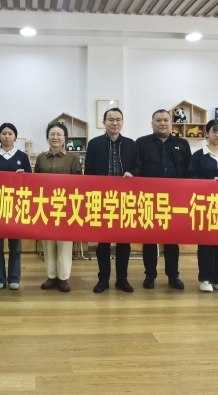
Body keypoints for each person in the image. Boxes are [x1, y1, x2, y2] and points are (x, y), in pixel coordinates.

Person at [85, 107, 141, 294]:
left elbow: (138, 167)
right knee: (103, 242)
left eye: (118, 120)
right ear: (104, 123)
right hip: (103, 199)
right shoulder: (94, 144)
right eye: (111, 120)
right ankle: (103, 280)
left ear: (122, 123)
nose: (115, 123)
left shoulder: (131, 144)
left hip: (125, 200)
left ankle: (122, 279)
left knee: (124, 242)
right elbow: (89, 172)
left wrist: (132, 173)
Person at [136, 109, 191, 291]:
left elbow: (189, 171)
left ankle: (173, 275)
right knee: (150, 238)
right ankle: (150, 275)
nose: (162, 123)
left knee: (172, 239)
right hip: (149, 198)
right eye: (158, 120)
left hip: (175, 199)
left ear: (171, 123)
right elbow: (137, 167)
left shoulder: (182, 144)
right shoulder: (142, 143)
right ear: (152, 123)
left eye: (166, 120)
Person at [187, 119, 218, 293]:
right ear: (207, 133)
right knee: (206, 243)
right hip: (205, 205)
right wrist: (208, 182)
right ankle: (206, 278)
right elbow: (191, 177)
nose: (217, 134)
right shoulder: (198, 155)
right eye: (214, 131)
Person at [0, 122, 31, 290]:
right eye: (4, 133)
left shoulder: (22, 157)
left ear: (15, 136)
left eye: (10, 133)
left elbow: (30, 182)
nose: (7, 136)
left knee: (15, 245)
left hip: (16, 207)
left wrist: (23, 176)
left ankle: (14, 278)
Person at [33, 122, 82, 292]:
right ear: (48, 137)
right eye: (52, 134)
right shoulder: (41, 158)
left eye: (59, 134)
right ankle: (51, 276)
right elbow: (34, 182)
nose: (55, 137)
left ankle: (63, 278)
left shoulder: (72, 158)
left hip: (66, 207)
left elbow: (79, 182)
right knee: (48, 243)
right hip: (45, 206)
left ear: (65, 138)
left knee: (64, 243)